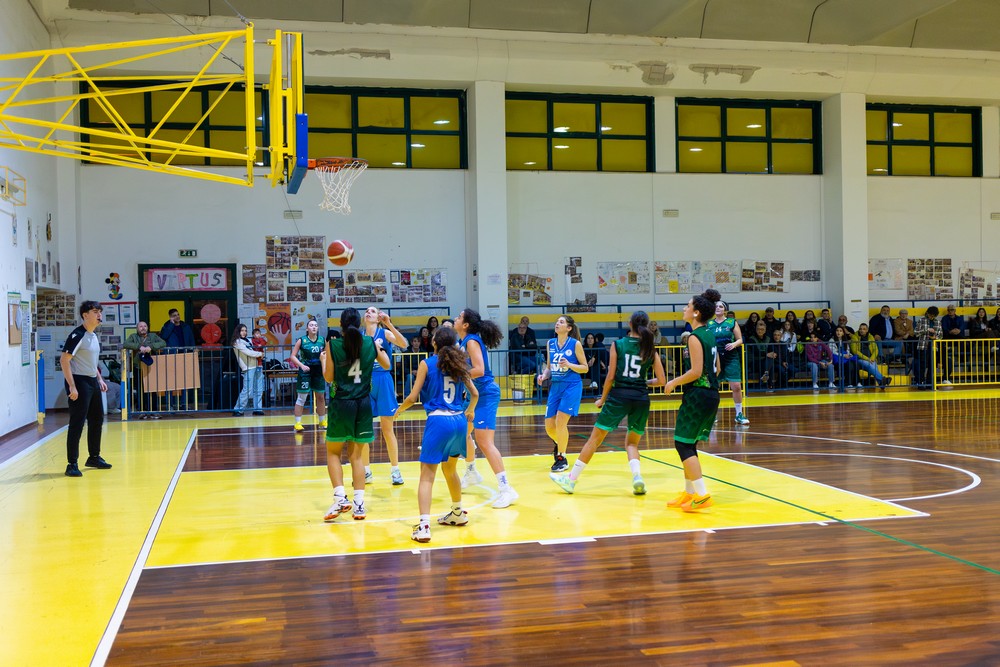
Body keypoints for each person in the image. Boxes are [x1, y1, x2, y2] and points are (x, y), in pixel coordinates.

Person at [549, 310, 665, 496]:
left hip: (619, 396)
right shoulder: (650, 347)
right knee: (632, 444)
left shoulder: (618, 344)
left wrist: (602, 399)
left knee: (594, 440)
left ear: (630, 324)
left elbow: (610, 377)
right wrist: (644, 382)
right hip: (641, 398)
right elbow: (661, 380)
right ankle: (637, 477)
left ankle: (570, 480)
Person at [396, 327, 480, 544]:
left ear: (434, 343)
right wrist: (470, 409)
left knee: (426, 475)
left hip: (439, 420)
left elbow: (413, 397)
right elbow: (475, 393)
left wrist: (398, 411)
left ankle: (424, 526)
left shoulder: (427, 363)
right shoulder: (459, 364)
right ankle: (458, 513)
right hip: (459, 421)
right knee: (450, 470)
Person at [321, 307, 390, 522]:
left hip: (342, 403)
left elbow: (329, 378)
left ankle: (341, 498)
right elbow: (386, 365)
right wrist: (377, 350)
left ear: (340, 324)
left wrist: (324, 360)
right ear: (359, 323)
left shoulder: (333, 344)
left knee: (333, 453)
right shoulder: (369, 342)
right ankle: (359, 505)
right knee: (356, 456)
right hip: (363, 404)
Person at [663, 289, 722, 512]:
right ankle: (689, 493)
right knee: (689, 443)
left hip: (699, 394)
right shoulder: (709, 334)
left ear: (696, 313)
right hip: (708, 393)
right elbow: (716, 368)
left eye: (687, 306)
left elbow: (696, 372)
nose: (684, 309)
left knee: (683, 443)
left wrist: (674, 382)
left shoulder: (695, 337)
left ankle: (702, 493)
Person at [455, 308, 519, 508]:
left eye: (459, 317)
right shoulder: (463, 342)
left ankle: (506, 488)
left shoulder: (472, 341)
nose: (456, 318)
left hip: (485, 393)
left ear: (465, 324)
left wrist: (456, 372)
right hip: (473, 393)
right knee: (463, 433)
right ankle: (472, 471)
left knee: (484, 441)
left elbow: (479, 370)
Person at [61, 301, 112, 477]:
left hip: (92, 381)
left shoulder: (93, 335)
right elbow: (64, 360)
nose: (99, 315)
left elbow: (91, 361)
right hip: (79, 382)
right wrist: (72, 386)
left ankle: (94, 457)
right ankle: (72, 463)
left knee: (97, 420)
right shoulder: (78, 335)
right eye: (95, 312)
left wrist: (99, 378)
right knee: (77, 423)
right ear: (85, 315)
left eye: (100, 312)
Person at [362, 306, 407, 485]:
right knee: (363, 431)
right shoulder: (359, 336)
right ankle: (366, 471)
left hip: (383, 380)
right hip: (365, 381)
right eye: (366, 310)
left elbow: (404, 344)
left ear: (378, 318)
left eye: (373, 311)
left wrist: (389, 324)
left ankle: (395, 470)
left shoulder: (384, 333)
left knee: (387, 430)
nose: (368, 312)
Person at [538, 315, 587, 473]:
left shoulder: (575, 344)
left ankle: (562, 457)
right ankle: (560, 444)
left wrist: (569, 364)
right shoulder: (550, 343)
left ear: (569, 328)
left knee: (560, 421)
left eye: (561, 322)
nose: (557, 324)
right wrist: (544, 375)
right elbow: (550, 366)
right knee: (549, 426)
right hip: (556, 387)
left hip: (572, 386)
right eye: (557, 322)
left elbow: (585, 367)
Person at [707, 299, 748, 425]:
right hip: (715, 358)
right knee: (713, 387)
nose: (718, 308)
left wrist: (734, 344)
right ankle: (712, 414)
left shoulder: (731, 322)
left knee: (736, 386)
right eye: (716, 306)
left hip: (731, 357)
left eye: (720, 306)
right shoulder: (708, 323)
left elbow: (740, 339)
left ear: (725, 309)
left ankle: (739, 414)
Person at [290, 318, 327, 431]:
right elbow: (293, 356)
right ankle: (298, 423)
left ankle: (322, 421)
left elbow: (326, 355)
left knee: (320, 397)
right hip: (305, 371)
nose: (314, 327)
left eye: (315, 325)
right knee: (302, 398)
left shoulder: (322, 340)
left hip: (318, 372)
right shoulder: (302, 340)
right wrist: (301, 365)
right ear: (307, 328)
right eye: (311, 325)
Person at [122, 320, 166, 416]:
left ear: (147, 328)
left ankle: (154, 411)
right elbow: (125, 344)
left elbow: (163, 343)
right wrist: (138, 347)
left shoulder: (153, 336)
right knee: (140, 390)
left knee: (152, 389)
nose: (143, 328)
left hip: (151, 368)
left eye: (145, 326)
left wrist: (151, 346)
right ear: (137, 328)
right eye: (140, 326)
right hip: (138, 367)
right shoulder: (133, 336)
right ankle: (142, 411)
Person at [160, 308, 196, 410]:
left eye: (178, 314)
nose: (177, 317)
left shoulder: (185, 326)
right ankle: (170, 404)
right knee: (170, 382)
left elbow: (191, 339)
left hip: (184, 356)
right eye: (174, 315)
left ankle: (184, 403)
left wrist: (193, 350)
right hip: (171, 357)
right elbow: (164, 337)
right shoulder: (166, 326)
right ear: (170, 317)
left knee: (185, 381)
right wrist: (171, 324)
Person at [232, 324, 265, 415]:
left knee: (258, 388)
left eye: (245, 330)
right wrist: (259, 354)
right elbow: (248, 352)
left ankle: (257, 408)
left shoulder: (248, 340)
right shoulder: (237, 342)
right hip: (248, 367)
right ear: (238, 331)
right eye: (242, 330)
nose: (244, 332)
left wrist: (260, 353)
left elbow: (257, 349)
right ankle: (238, 409)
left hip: (257, 365)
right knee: (247, 389)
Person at [851, 323, 892, 389]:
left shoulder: (870, 337)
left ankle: (881, 383)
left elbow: (875, 349)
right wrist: (867, 359)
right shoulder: (855, 337)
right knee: (870, 365)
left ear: (867, 330)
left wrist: (872, 358)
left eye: (864, 329)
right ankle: (883, 379)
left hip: (870, 359)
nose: (862, 330)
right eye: (860, 329)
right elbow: (855, 351)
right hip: (859, 359)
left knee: (874, 366)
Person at [913, 306, 943, 388]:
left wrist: (935, 338)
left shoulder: (938, 322)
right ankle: (921, 383)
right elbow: (915, 333)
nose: (932, 317)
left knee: (932, 365)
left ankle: (930, 383)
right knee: (922, 365)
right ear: (927, 313)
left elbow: (941, 335)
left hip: (933, 346)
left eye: (933, 316)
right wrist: (926, 331)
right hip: (923, 345)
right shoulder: (921, 320)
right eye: (930, 315)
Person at [940, 305, 965, 384]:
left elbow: (961, 326)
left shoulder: (959, 318)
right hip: (948, 335)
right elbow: (944, 328)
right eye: (949, 310)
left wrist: (958, 330)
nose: (950, 311)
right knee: (943, 341)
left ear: (955, 311)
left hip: (957, 335)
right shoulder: (944, 318)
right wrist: (950, 331)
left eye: (952, 310)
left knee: (964, 342)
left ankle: (962, 358)